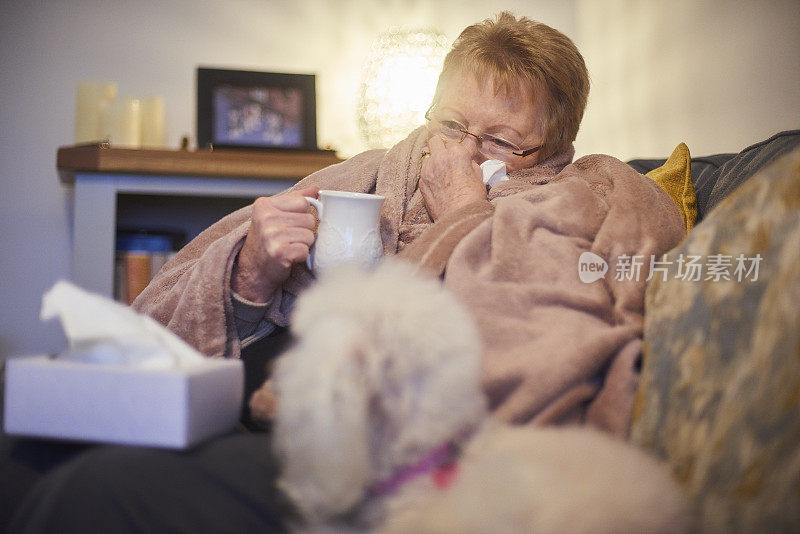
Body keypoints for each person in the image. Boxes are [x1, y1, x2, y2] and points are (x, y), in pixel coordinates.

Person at [6, 12, 684, 532]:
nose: (460, 152)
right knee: (27, 452)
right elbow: (155, 323)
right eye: (450, 124)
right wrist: (249, 273)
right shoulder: (367, 175)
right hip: (232, 398)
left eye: (501, 142)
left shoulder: (575, 202)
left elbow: (527, 349)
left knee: (94, 491)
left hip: (372, 454)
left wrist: (465, 217)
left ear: (555, 149)